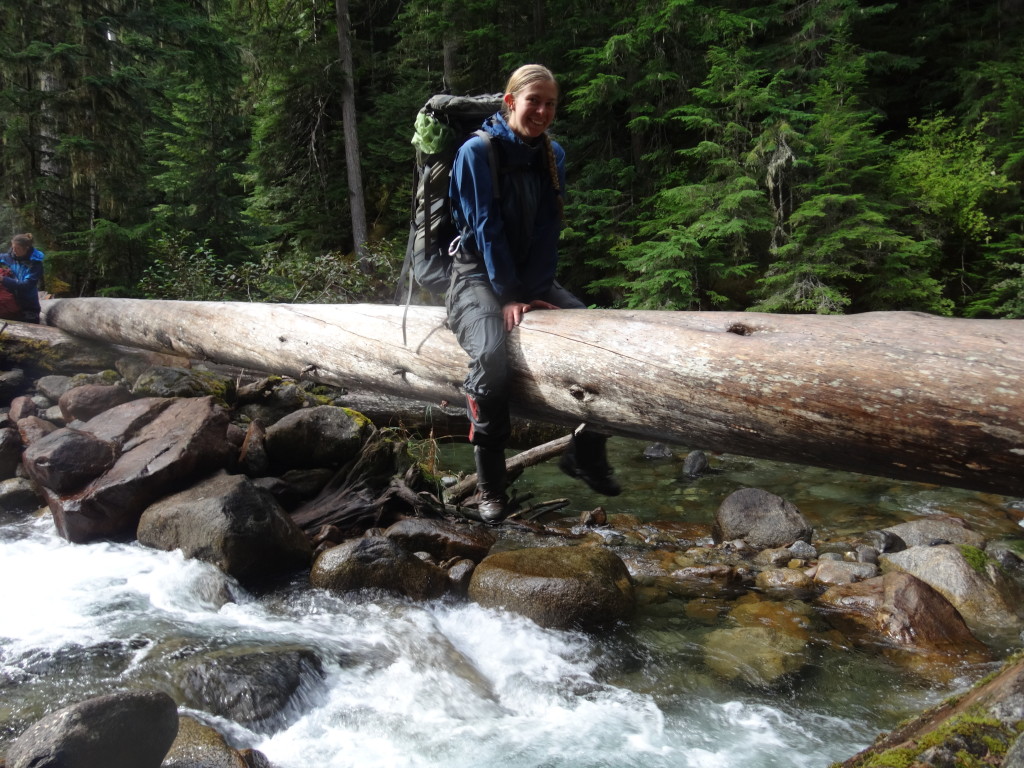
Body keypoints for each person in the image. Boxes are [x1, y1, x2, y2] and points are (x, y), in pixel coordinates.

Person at [447, 64, 620, 523]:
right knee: (489, 355)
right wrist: (507, 295)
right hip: (475, 277)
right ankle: (490, 486)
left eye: (550, 104)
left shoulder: (552, 154)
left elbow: (548, 228)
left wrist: (536, 288)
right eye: (533, 102)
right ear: (510, 103)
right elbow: (486, 229)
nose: (542, 111)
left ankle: (584, 449)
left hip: (527, 278)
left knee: (595, 335)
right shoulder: (476, 153)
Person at [0, 233, 45, 324]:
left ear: (26, 248)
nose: (14, 251)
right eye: (13, 248)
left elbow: (26, 286)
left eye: (17, 249)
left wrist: (3, 279)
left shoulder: (35, 265)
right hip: (12, 306)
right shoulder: (10, 257)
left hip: (29, 308)